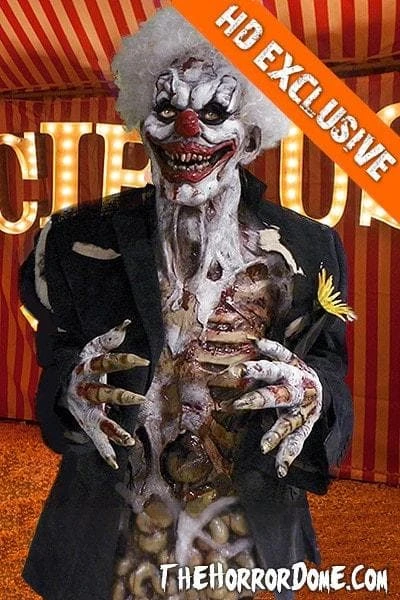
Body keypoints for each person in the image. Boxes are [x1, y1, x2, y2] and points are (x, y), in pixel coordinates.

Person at [20, 8, 353, 600]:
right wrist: (71, 392)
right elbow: (55, 368)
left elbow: (329, 368)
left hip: (245, 547)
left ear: (250, 138)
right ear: (141, 123)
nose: (188, 128)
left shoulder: (309, 248)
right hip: (110, 546)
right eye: (167, 109)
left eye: (215, 113)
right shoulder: (71, 240)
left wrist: (315, 393)